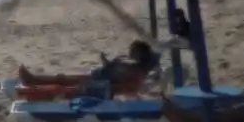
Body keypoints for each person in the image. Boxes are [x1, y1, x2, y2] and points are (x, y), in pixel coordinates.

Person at [17, 40, 159, 95]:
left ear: (140, 53)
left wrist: (112, 63)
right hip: (100, 81)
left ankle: (32, 82)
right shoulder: (136, 67)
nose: (129, 52)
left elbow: (119, 75)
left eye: (132, 50)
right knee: (63, 80)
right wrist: (109, 63)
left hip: (99, 86)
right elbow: (117, 72)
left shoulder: (135, 69)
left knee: (64, 83)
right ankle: (33, 80)